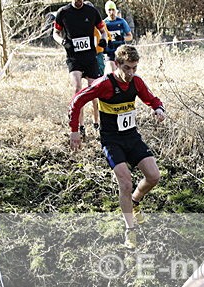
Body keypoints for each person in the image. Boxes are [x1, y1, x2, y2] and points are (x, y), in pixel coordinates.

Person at [67, 45, 165, 249]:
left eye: (134, 68)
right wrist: (75, 130)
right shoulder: (105, 84)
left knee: (154, 176)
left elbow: (151, 98)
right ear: (117, 64)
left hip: (132, 137)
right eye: (127, 68)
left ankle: (135, 202)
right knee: (125, 183)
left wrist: (158, 108)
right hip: (112, 140)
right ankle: (130, 230)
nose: (131, 73)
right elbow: (77, 101)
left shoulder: (136, 82)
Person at [53, 0, 108, 136]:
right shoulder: (63, 12)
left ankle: (97, 123)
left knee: (94, 89)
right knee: (77, 88)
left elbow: (103, 30)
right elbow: (55, 33)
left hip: (90, 57)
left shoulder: (92, 11)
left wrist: (103, 39)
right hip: (73, 57)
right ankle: (80, 125)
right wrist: (63, 42)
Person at [103, 1, 133, 73]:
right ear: (106, 11)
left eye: (113, 10)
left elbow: (130, 37)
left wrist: (122, 38)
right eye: (109, 10)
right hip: (109, 51)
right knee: (112, 71)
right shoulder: (104, 23)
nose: (111, 12)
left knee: (121, 72)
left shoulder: (122, 22)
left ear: (115, 10)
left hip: (121, 51)